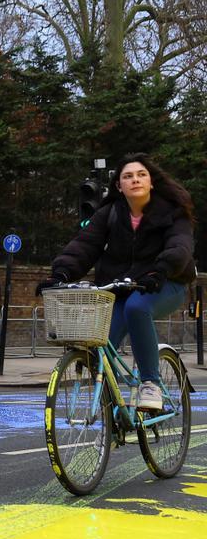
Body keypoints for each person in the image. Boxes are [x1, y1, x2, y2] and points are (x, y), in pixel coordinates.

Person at [37, 153, 196, 411]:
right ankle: (114, 418)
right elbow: (84, 246)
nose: (135, 180)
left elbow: (180, 246)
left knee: (137, 307)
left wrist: (160, 270)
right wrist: (60, 274)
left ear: (151, 182)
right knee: (98, 344)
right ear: (119, 186)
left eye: (141, 175)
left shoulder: (172, 213)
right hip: (123, 288)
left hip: (166, 282)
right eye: (128, 176)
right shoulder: (109, 214)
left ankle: (150, 383)